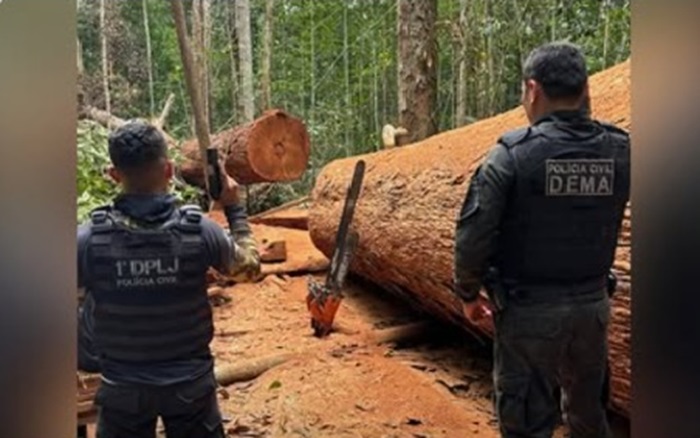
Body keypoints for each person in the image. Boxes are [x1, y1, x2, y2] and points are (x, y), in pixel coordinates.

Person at [452, 42, 630, 438]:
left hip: (528, 314)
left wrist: (467, 293)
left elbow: (473, 234)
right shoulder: (622, 150)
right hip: (593, 311)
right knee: (589, 417)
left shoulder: (512, 155)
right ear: (586, 89)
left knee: (527, 423)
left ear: (532, 90)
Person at [77, 120, 261, 438]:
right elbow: (249, 269)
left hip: (122, 387)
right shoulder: (200, 231)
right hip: (190, 384)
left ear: (114, 175)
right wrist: (234, 210)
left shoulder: (89, 240)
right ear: (169, 170)